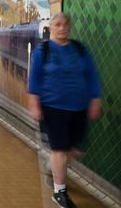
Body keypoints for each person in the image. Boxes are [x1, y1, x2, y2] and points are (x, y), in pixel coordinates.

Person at [28, 13, 102, 208]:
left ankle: (52, 166)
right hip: (53, 108)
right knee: (60, 151)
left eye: (65, 24)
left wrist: (95, 99)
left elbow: (91, 75)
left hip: (79, 107)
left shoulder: (80, 49)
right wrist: (34, 103)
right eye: (58, 24)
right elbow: (34, 79)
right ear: (51, 27)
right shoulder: (42, 51)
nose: (62, 28)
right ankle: (60, 193)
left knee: (75, 150)